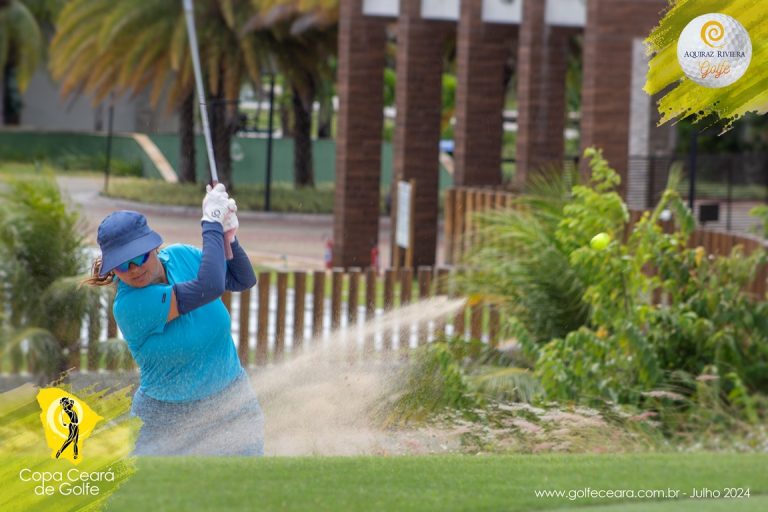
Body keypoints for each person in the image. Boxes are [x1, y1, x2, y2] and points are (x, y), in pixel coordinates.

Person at [83, 184, 264, 456]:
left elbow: (242, 279)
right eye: (121, 265)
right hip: (166, 424)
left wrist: (228, 237)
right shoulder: (130, 304)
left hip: (233, 404)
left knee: (244, 493)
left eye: (139, 257)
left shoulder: (181, 256)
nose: (133, 270)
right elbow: (210, 286)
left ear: (154, 246)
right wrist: (210, 223)